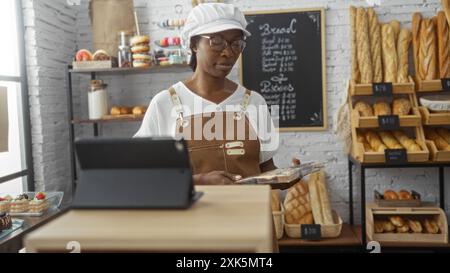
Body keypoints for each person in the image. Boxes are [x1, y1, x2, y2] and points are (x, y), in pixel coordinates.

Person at [135, 3, 280, 185]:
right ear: (194, 44)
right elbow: (141, 173)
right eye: (216, 42)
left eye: (236, 43)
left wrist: (286, 176)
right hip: (193, 213)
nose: (228, 52)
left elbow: (266, 168)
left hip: (252, 211)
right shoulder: (165, 104)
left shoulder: (254, 102)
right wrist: (200, 180)